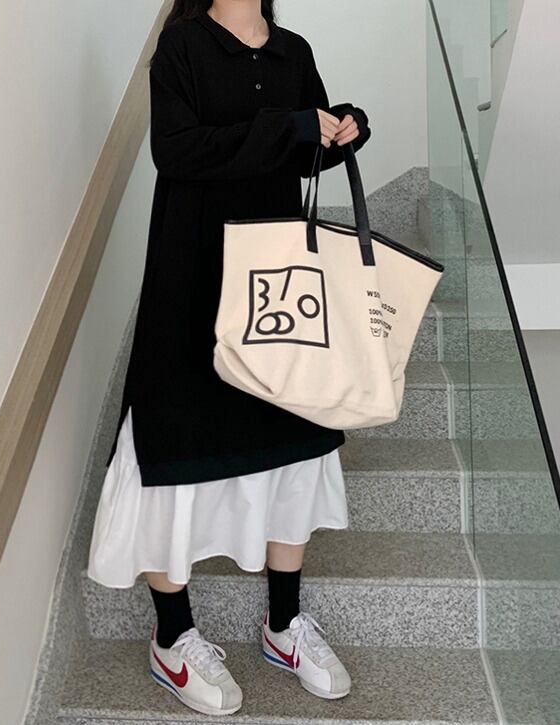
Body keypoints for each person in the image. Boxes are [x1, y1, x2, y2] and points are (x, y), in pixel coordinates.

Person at [88, 0, 371, 716]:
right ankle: (172, 636)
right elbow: (177, 151)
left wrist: (340, 130)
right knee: (173, 442)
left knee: (291, 443)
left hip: (276, 286)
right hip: (194, 278)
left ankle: (284, 627)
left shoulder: (292, 49)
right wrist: (290, 126)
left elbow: (301, 154)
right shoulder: (181, 47)